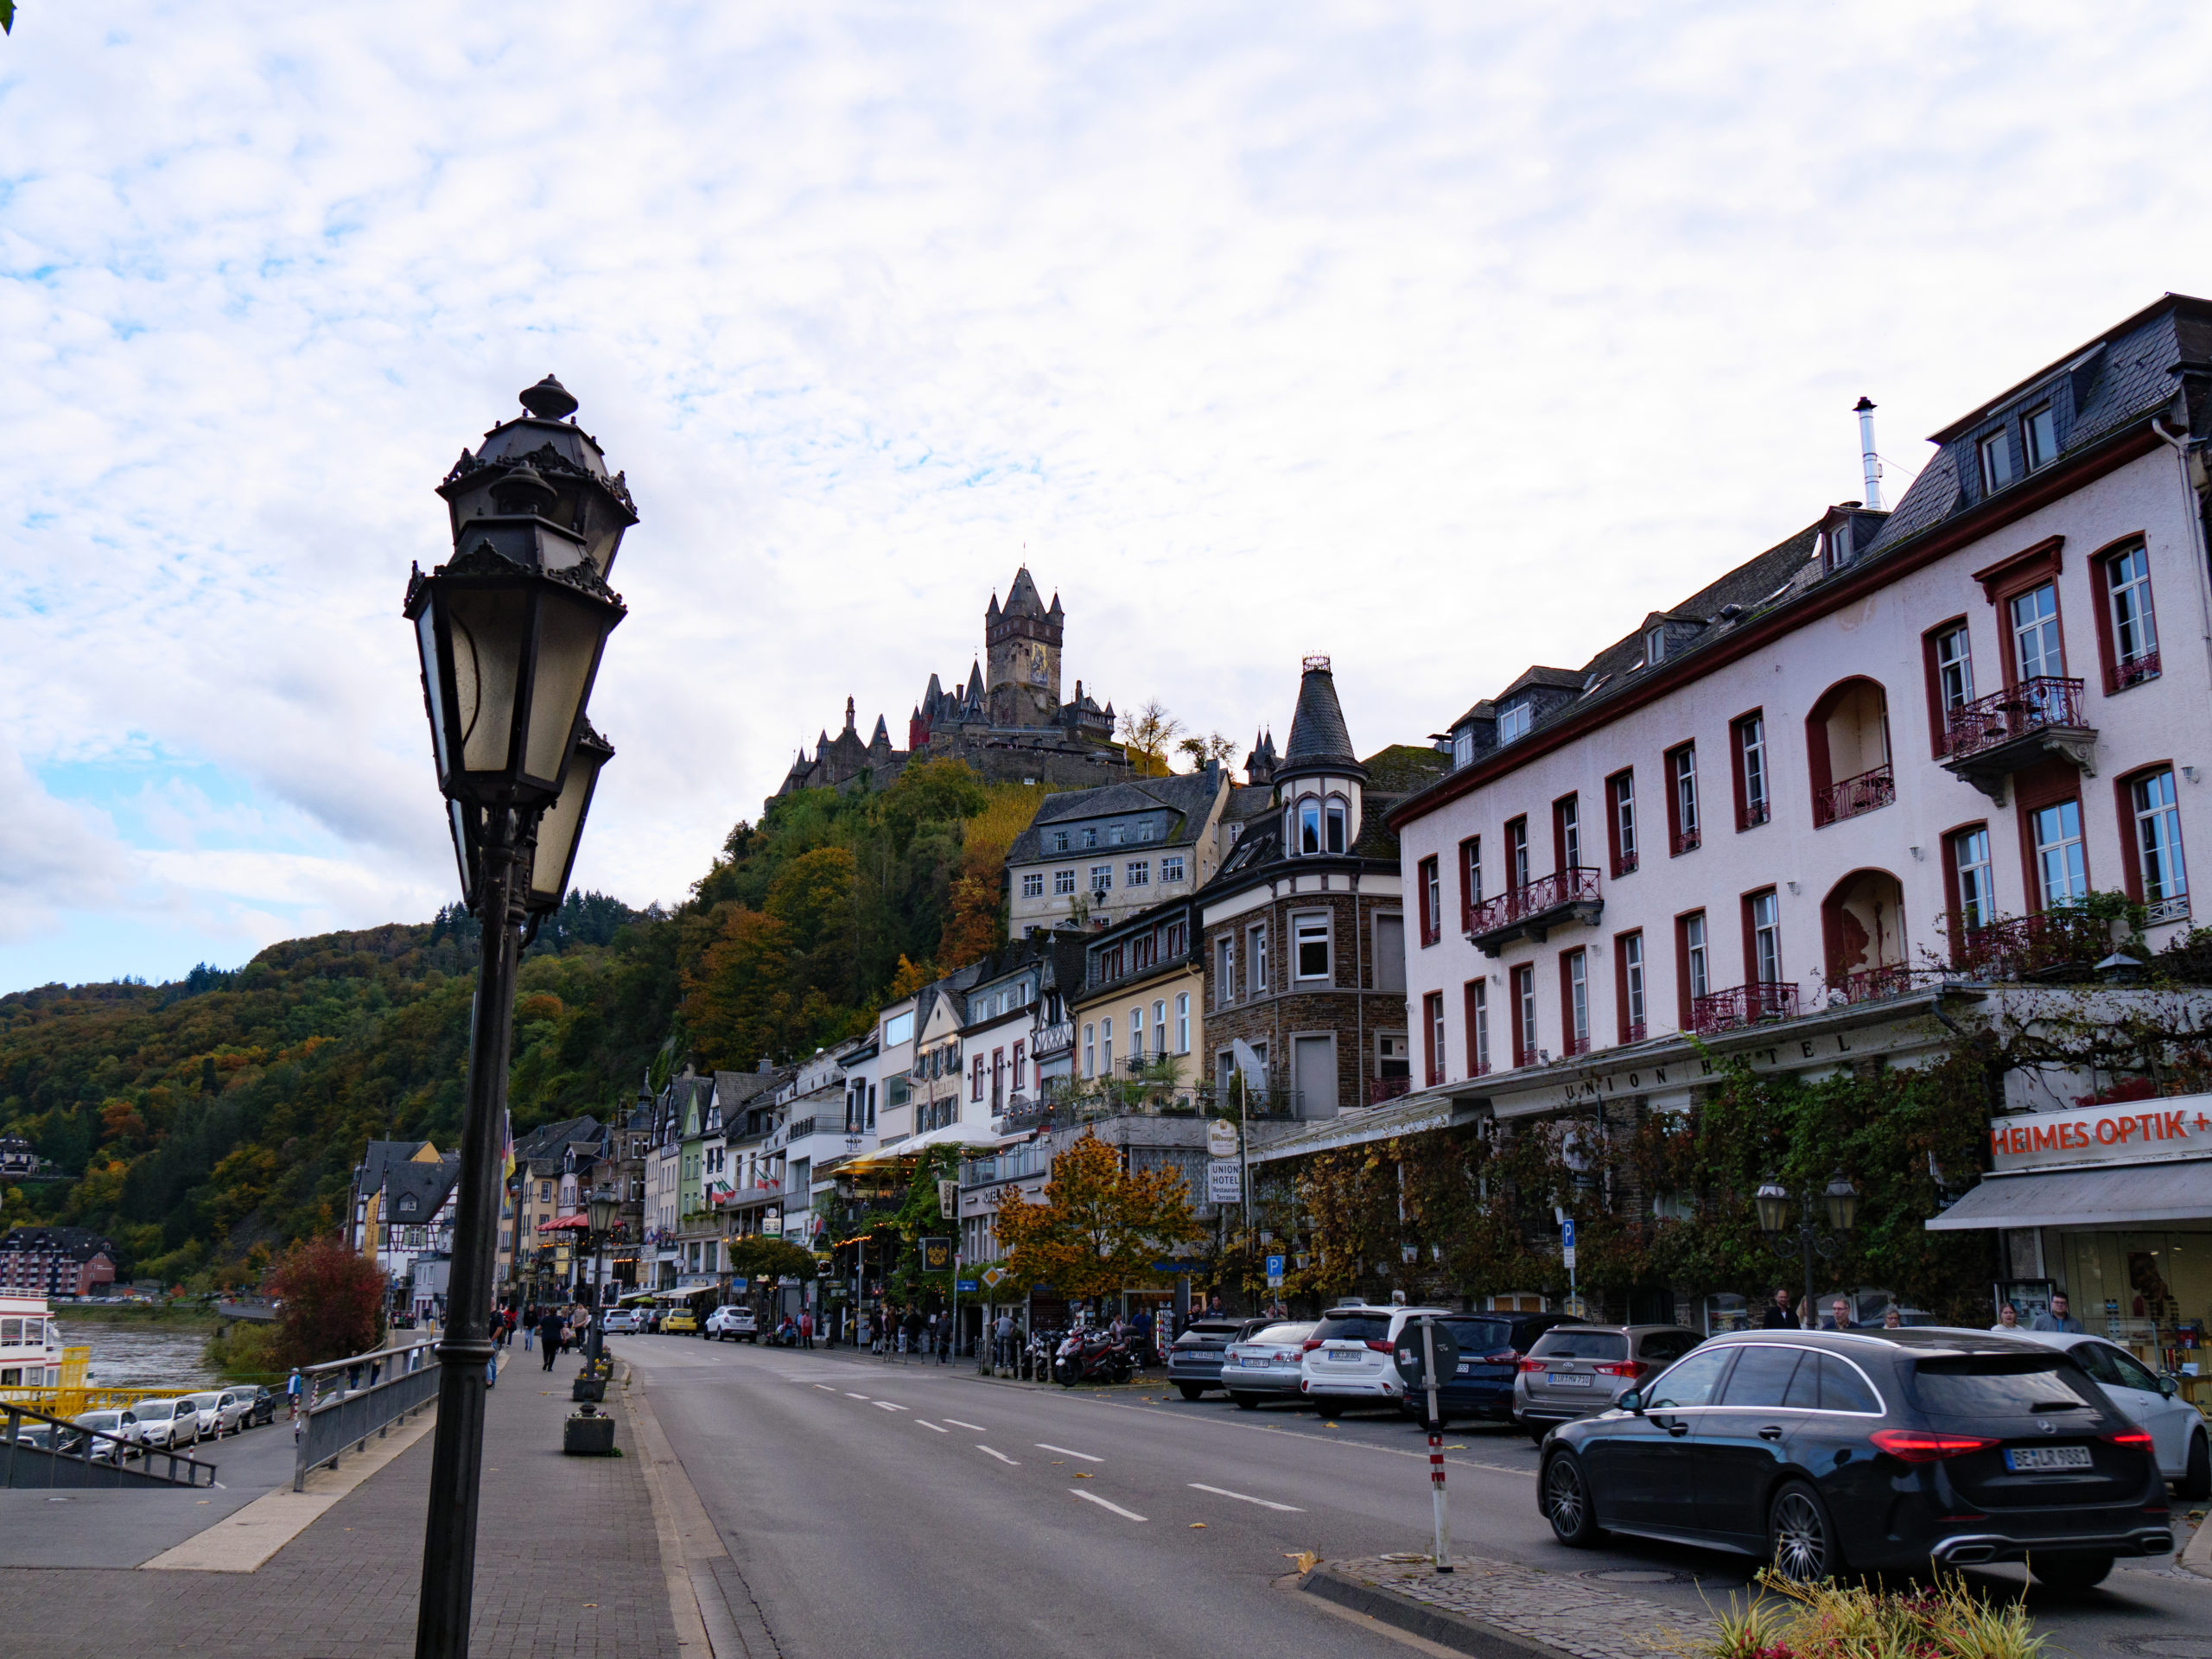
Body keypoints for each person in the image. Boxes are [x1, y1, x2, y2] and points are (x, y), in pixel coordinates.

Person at [538, 1305, 564, 1370]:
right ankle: (550, 1367)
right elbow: (562, 1330)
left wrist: (537, 1330)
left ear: (549, 1311)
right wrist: (564, 1338)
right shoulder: (559, 1319)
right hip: (555, 1338)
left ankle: (546, 1361)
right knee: (553, 1352)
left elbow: (539, 1327)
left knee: (545, 1351)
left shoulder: (545, 1318)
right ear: (556, 1312)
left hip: (546, 1337)